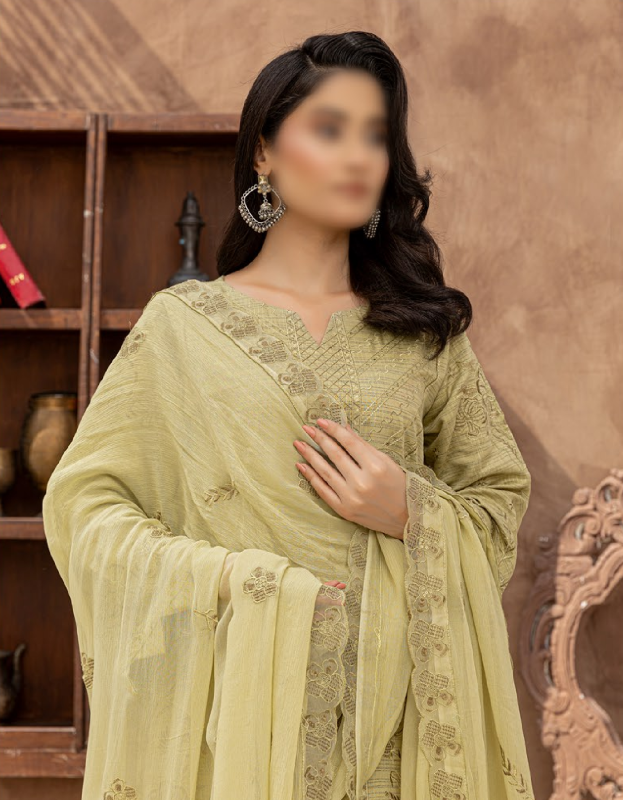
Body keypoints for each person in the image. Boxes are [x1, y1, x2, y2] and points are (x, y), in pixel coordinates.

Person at [42, 30, 535, 800]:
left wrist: (412, 511)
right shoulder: (183, 328)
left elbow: (498, 501)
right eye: (329, 129)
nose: (358, 156)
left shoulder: (422, 332)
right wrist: (239, 582)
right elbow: (83, 504)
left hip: (396, 741)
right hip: (242, 738)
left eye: (376, 135)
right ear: (263, 153)